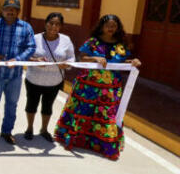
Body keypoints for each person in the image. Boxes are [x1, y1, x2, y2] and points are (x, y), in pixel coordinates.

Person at [54, 14, 141, 160]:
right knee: (83, 111)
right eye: (108, 25)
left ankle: (104, 146)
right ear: (101, 26)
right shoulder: (93, 42)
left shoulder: (120, 45)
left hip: (110, 89)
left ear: (118, 27)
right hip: (88, 86)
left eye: (114, 26)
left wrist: (133, 61)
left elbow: (122, 61)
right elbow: (82, 57)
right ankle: (76, 140)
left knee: (106, 115)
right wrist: (95, 58)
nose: (110, 28)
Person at [0, 0, 36, 145]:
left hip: (15, 76)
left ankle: (7, 132)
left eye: (14, 9)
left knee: (12, 105)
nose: (10, 12)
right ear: (2, 10)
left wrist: (18, 59)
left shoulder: (26, 27)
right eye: (7, 9)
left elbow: (31, 47)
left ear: (18, 11)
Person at [24, 12, 75, 141]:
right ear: (45, 23)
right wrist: (34, 60)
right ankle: (29, 128)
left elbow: (72, 58)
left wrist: (67, 64)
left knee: (47, 107)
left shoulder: (66, 40)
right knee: (31, 105)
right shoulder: (34, 38)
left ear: (61, 26)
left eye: (57, 24)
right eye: (51, 23)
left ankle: (44, 129)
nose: (53, 26)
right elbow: (23, 56)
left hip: (54, 82)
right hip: (34, 80)